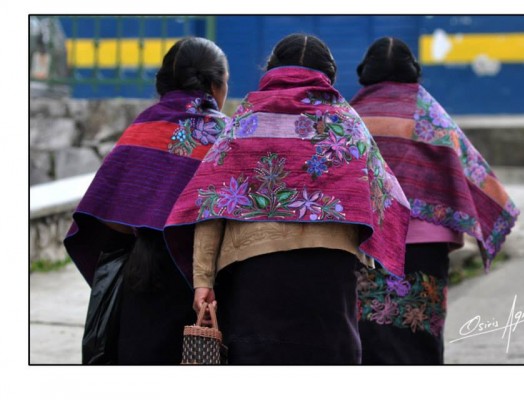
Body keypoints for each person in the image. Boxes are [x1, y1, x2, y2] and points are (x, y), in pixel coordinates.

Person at [163, 33, 411, 365]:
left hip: (256, 276)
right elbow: (390, 198)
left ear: (272, 69)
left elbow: (210, 204)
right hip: (329, 280)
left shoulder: (244, 122)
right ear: (329, 74)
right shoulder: (348, 123)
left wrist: (203, 282)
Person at [349, 37, 519, 364]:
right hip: (424, 248)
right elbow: (471, 172)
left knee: (368, 335)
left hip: (365, 244)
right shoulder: (430, 115)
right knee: (419, 334)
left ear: (364, 73)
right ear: (414, 72)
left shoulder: (351, 117)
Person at [63, 37, 231, 365]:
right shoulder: (226, 135)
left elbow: (105, 213)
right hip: (202, 287)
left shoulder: (142, 127)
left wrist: (147, 223)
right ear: (214, 85)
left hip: (142, 276)